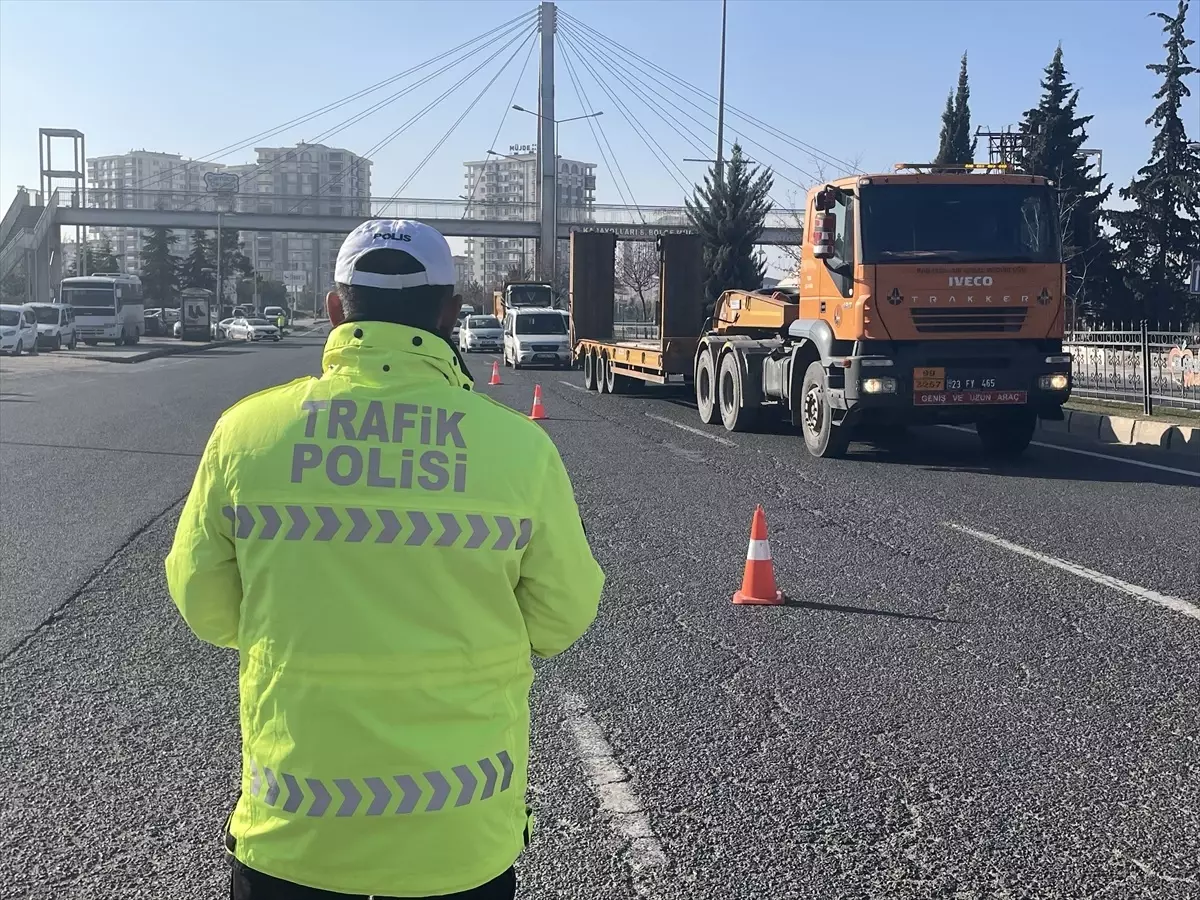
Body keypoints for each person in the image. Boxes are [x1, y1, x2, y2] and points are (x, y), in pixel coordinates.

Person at [165, 218, 604, 899]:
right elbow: (562, 615)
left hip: (293, 835)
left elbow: (203, 602)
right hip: (460, 841)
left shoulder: (246, 433)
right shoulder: (519, 450)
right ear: (451, 313)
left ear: (334, 308)